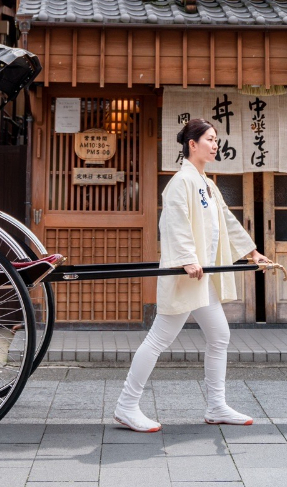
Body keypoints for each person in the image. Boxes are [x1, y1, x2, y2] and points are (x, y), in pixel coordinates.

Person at [112, 118, 272, 432]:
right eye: (210, 139)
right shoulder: (180, 182)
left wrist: (253, 253)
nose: (215, 145)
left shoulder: (207, 184)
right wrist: (186, 259)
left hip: (202, 279)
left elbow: (226, 221)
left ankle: (216, 406)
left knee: (219, 336)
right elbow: (174, 224)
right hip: (187, 277)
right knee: (159, 338)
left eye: (217, 139)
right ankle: (126, 405)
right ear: (193, 144)